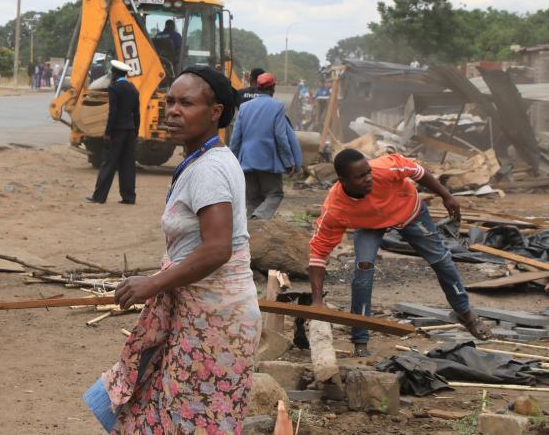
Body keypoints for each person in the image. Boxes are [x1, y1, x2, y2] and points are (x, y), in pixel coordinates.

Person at [85, 65, 260, 433]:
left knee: (194, 418)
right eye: (169, 102)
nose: (173, 111)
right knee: (168, 408)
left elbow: (216, 249)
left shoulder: (210, 170)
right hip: (199, 314)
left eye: (187, 103)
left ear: (215, 113)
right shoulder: (202, 159)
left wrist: (153, 283)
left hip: (214, 321)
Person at [308, 149, 492, 357]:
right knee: (363, 270)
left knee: (441, 259)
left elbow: (419, 172)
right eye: (360, 177)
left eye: (368, 172)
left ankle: (466, 314)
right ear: (342, 180)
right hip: (369, 224)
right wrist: (316, 301)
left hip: (408, 212)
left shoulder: (386, 167)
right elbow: (317, 254)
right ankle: (360, 339)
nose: (369, 178)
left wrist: (446, 195)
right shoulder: (335, 208)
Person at [230, 72, 302, 219]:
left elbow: (235, 138)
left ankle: (252, 233)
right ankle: (259, 217)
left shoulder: (244, 107)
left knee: (252, 199)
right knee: (275, 193)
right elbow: (281, 137)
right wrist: (289, 162)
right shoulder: (277, 106)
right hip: (268, 160)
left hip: (246, 160)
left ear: (257, 87)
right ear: (273, 88)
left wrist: (232, 162)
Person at [86, 60, 140, 204]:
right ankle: (129, 197)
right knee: (128, 164)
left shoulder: (114, 88)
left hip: (117, 131)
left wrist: (108, 133)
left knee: (109, 163)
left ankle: (99, 196)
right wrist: (136, 132)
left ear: (115, 74)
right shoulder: (133, 88)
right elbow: (137, 114)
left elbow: (113, 113)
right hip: (130, 131)